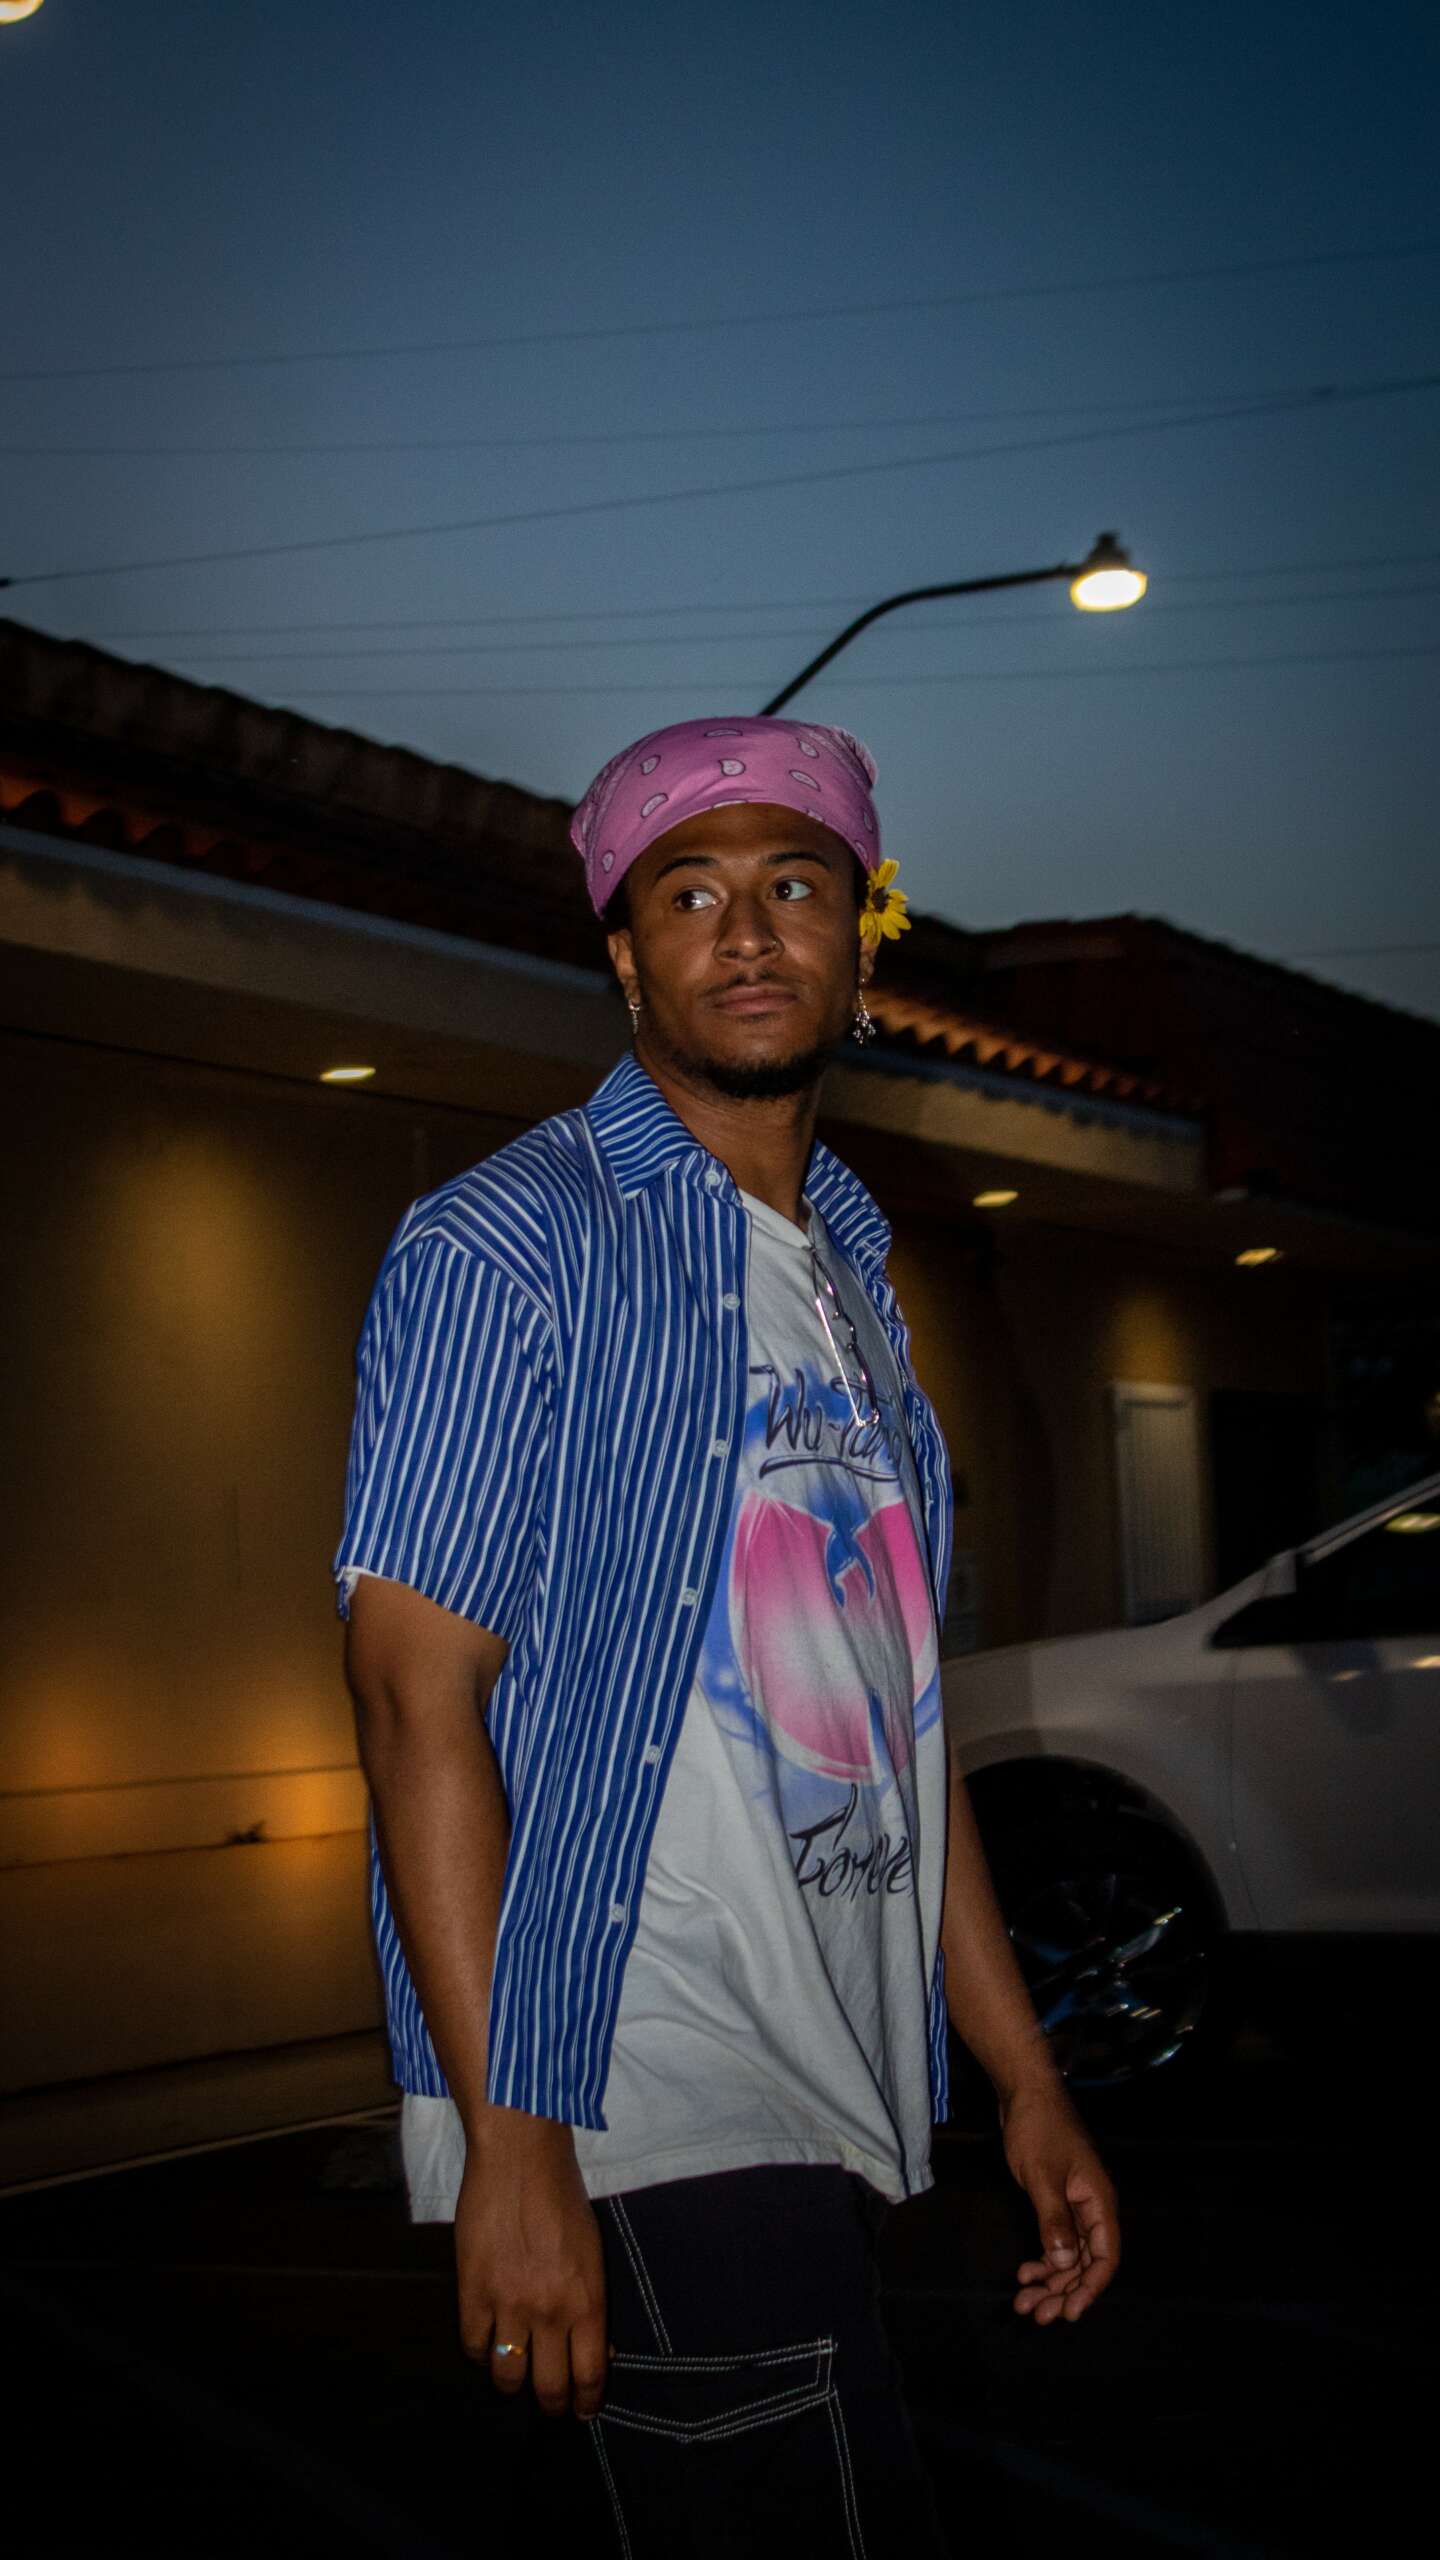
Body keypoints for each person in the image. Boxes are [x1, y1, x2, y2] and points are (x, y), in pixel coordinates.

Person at [335, 715, 1119, 2557]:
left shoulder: (853, 1279)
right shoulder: (507, 1245)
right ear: (625, 956)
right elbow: (411, 1693)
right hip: (640, 2078)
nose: (748, 932)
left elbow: (901, 1732)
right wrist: (515, 2135)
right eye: (690, 896)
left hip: (828, 2065)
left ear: (862, 941)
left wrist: (1025, 2079)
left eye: (794, 888)